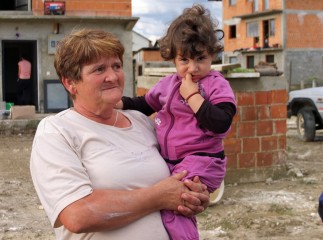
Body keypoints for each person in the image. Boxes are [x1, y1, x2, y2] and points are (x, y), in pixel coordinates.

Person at [30, 29, 210, 240]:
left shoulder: (141, 121)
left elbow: (177, 173)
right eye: (99, 69)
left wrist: (194, 193)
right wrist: (159, 197)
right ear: (70, 82)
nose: (112, 76)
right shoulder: (56, 131)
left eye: (116, 66)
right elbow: (77, 214)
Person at [116, 4, 237, 240]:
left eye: (201, 58)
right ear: (173, 58)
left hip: (203, 161)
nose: (192, 68)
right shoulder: (169, 84)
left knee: (177, 204)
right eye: (184, 60)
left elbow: (221, 123)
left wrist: (193, 95)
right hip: (173, 161)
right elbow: (146, 103)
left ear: (213, 54)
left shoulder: (216, 84)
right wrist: (120, 103)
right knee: (158, 201)